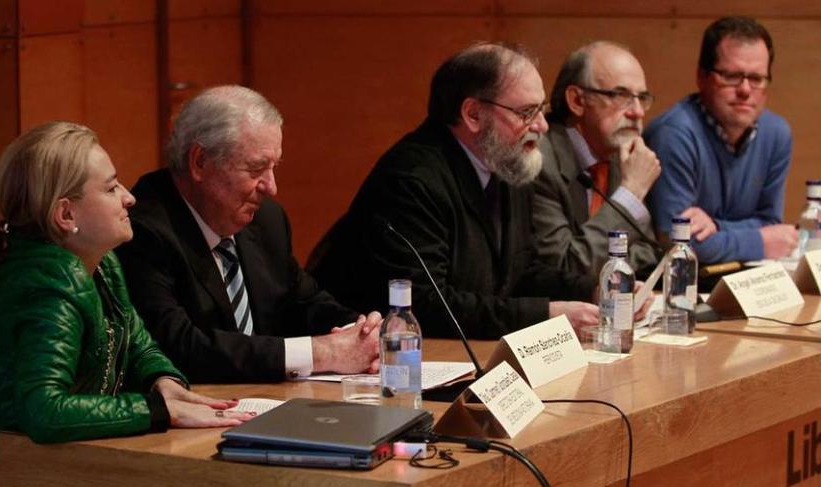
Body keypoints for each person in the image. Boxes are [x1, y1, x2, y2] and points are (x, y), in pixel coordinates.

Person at [0, 122, 251, 487]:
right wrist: (157, 410)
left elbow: (140, 345)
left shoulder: (101, 264)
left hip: (40, 468)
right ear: (65, 216)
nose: (129, 198)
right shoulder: (48, 287)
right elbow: (46, 411)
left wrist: (163, 383)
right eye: (111, 187)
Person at [308, 42, 600, 340]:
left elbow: (519, 273)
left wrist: (592, 289)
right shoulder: (411, 181)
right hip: (374, 363)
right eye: (526, 112)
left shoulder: (505, 162)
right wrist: (543, 316)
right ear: (473, 114)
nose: (541, 125)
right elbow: (426, 307)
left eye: (541, 110)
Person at [115, 86, 380, 384]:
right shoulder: (143, 232)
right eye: (256, 169)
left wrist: (361, 332)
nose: (271, 187)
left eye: (273, 167)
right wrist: (320, 353)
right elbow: (180, 348)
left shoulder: (266, 220)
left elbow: (303, 301)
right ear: (200, 162)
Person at [646, 16, 797, 263]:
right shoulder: (673, 134)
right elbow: (679, 245)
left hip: (748, 283)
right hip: (679, 287)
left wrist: (716, 226)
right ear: (702, 77)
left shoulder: (776, 133)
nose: (746, 90)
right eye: (731, 76)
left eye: (757, 78)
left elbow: (770, 223)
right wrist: (758, 241)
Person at [534, 41, 660, 275]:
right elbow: (564, 268)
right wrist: (630, 192)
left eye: (641, 98)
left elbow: (648, 250)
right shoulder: (538, 162)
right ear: (577, 101)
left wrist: (610, 267)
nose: (638, 112)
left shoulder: (619, 153)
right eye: (620, 95)